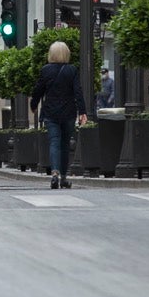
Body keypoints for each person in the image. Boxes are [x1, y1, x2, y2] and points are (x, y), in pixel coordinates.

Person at [30, 40, 86, 189]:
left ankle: (54, 173)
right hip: (68, 112)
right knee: (65, 145)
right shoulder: (72, 70)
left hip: (51, 112)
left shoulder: (45, 70)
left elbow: (38, 90)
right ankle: (64, 177)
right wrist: (83, 112)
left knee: (54, 142)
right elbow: (78, 92)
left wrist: (33, 105)